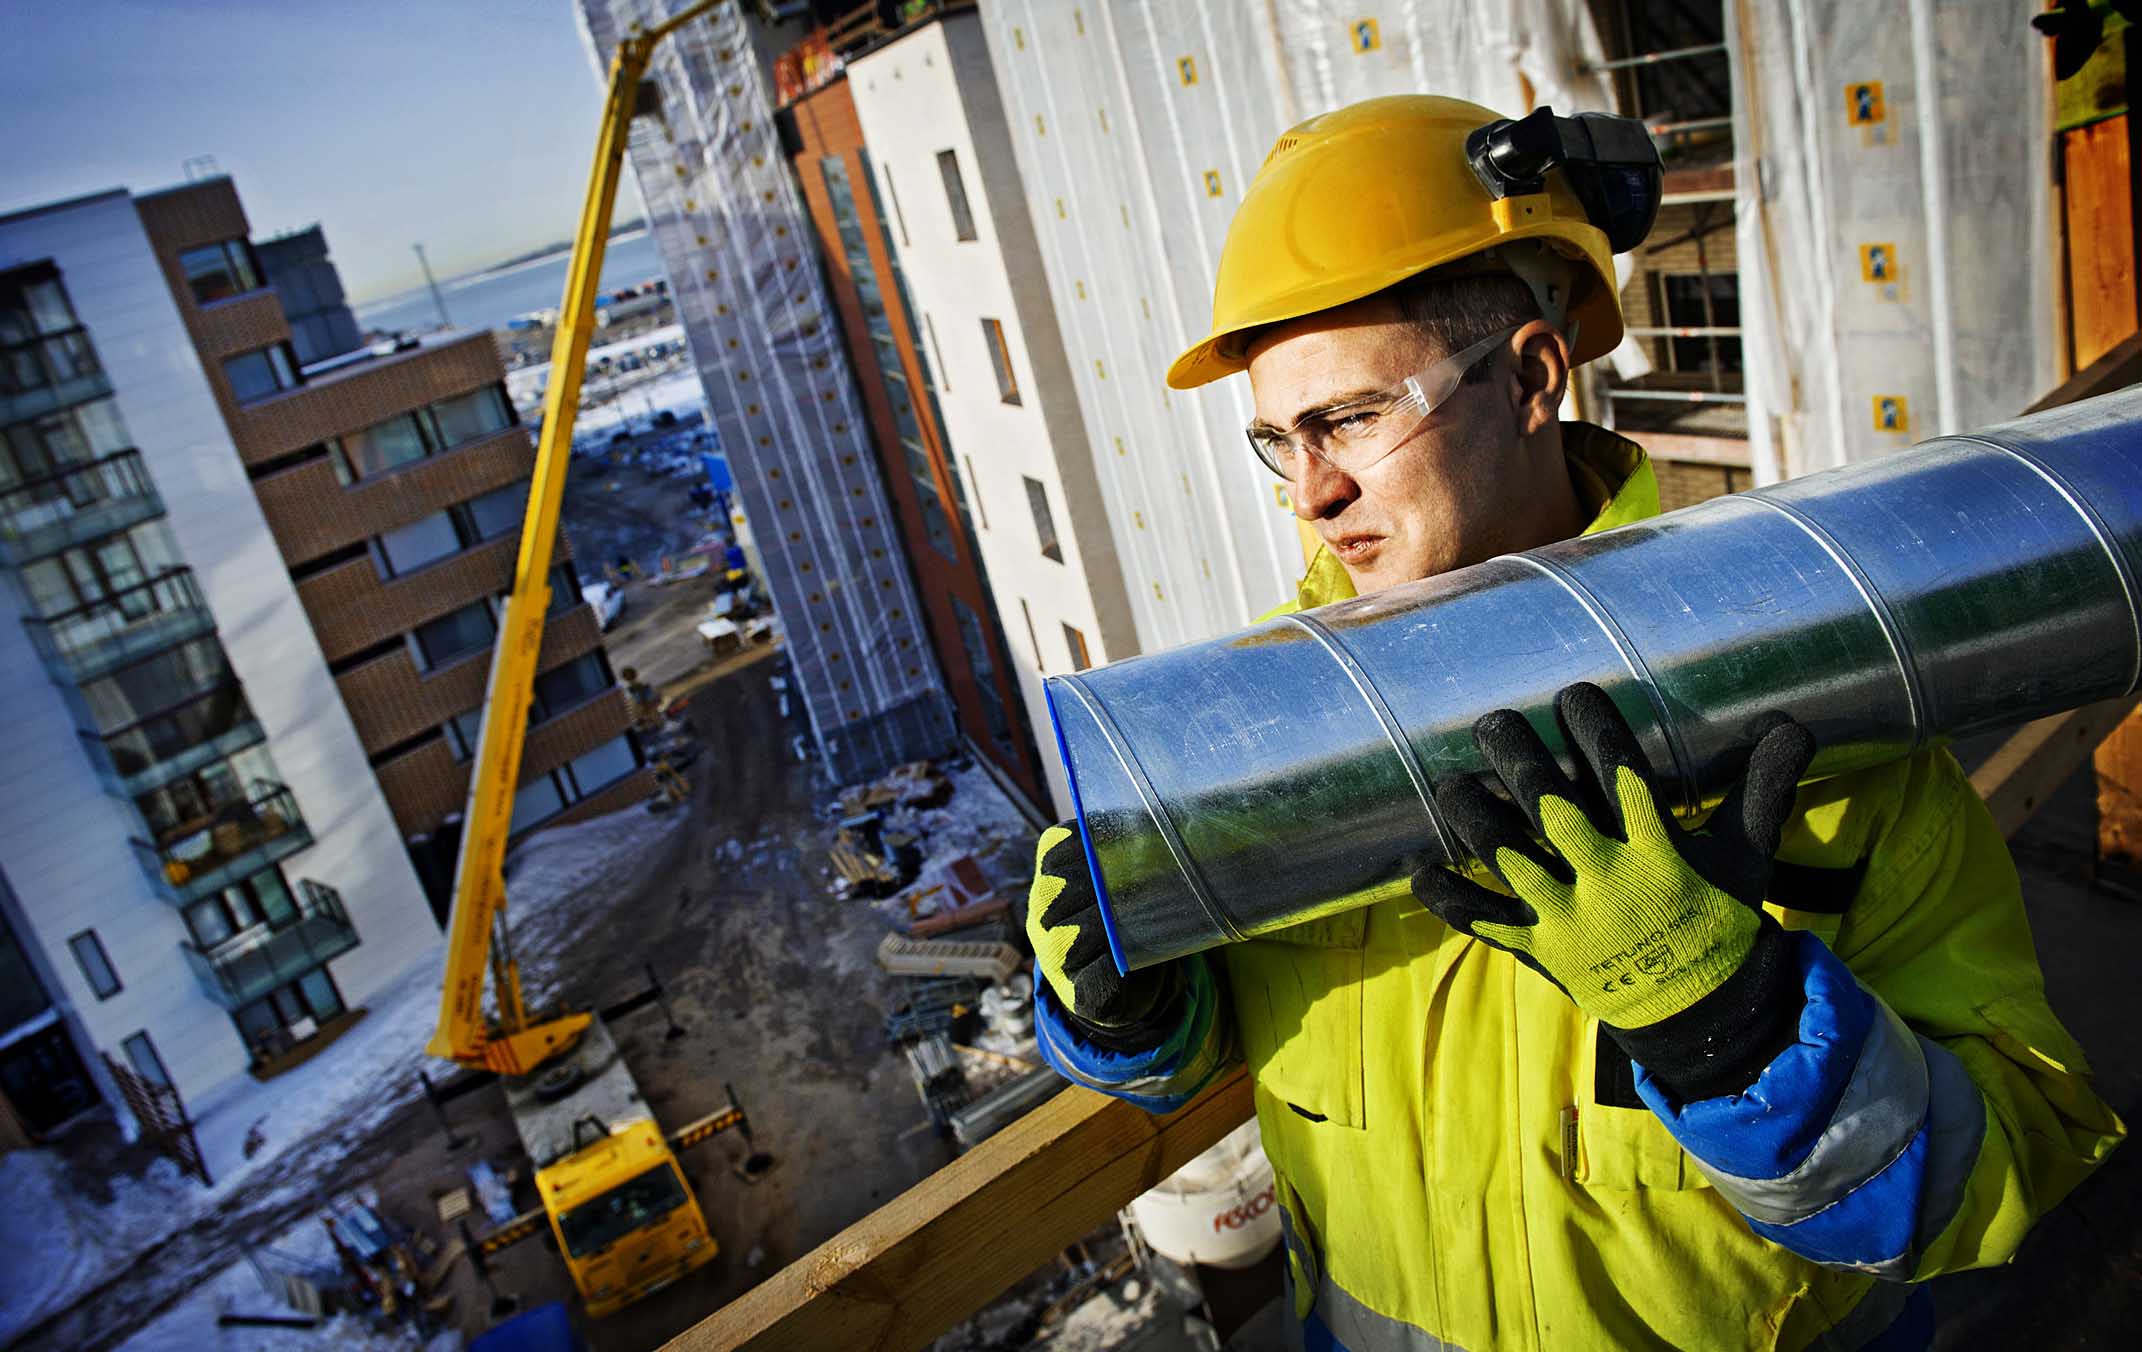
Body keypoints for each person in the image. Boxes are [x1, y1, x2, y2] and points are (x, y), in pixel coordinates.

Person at [1024, 96, 2123, 1351]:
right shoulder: (1269, 741)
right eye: (1280, 441)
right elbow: (1216, 1045)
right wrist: (1127, 1009)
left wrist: (1738, 1028)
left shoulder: (1802, 719)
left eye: (1351, 418)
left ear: (1536, 375)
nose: (1314, 495)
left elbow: (2011, 1168)